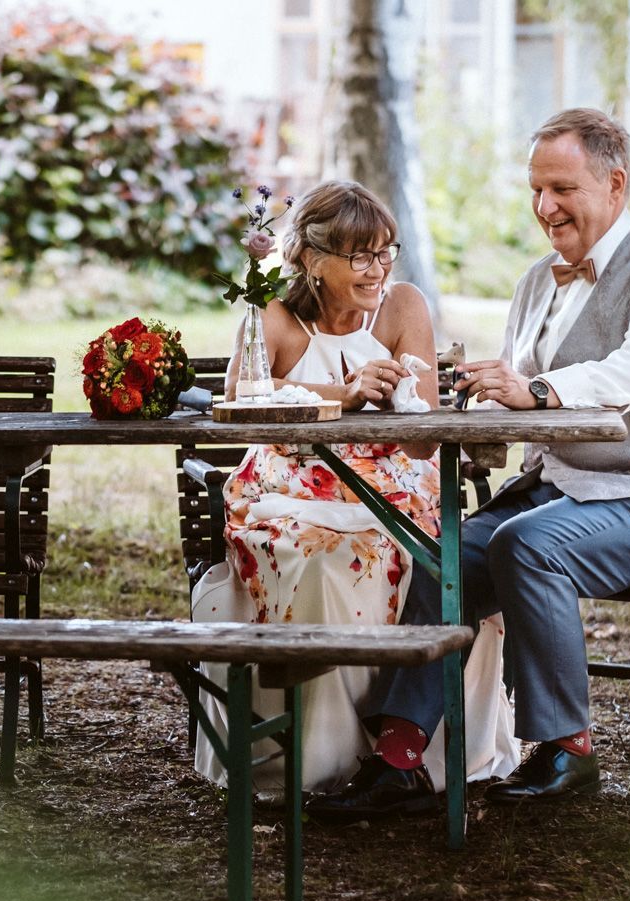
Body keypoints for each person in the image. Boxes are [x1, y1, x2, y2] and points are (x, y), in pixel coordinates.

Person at [330, 107, 630, 812]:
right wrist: (452, 403)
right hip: (558, 490)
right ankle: (400, 761)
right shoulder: (538, 281)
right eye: (537, 189)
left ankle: (568, 751)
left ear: (615, 183)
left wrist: (537, 390)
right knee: (438, 552)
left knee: (526, 547)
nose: (546, 207)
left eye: (563, 189)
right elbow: (509, 389)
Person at [191, 181, 519, 808]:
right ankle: (316, 760)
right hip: (288, 489)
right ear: (313, 260)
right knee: (326, 562)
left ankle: (408, 754)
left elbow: (422, 443)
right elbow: (241, 406)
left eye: (386, 252)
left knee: (431, 559)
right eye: (361, 257)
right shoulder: (274, 316)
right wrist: (345, 394)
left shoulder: (403, 307)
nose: (378, 269)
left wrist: (415, 401)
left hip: (391, 485)